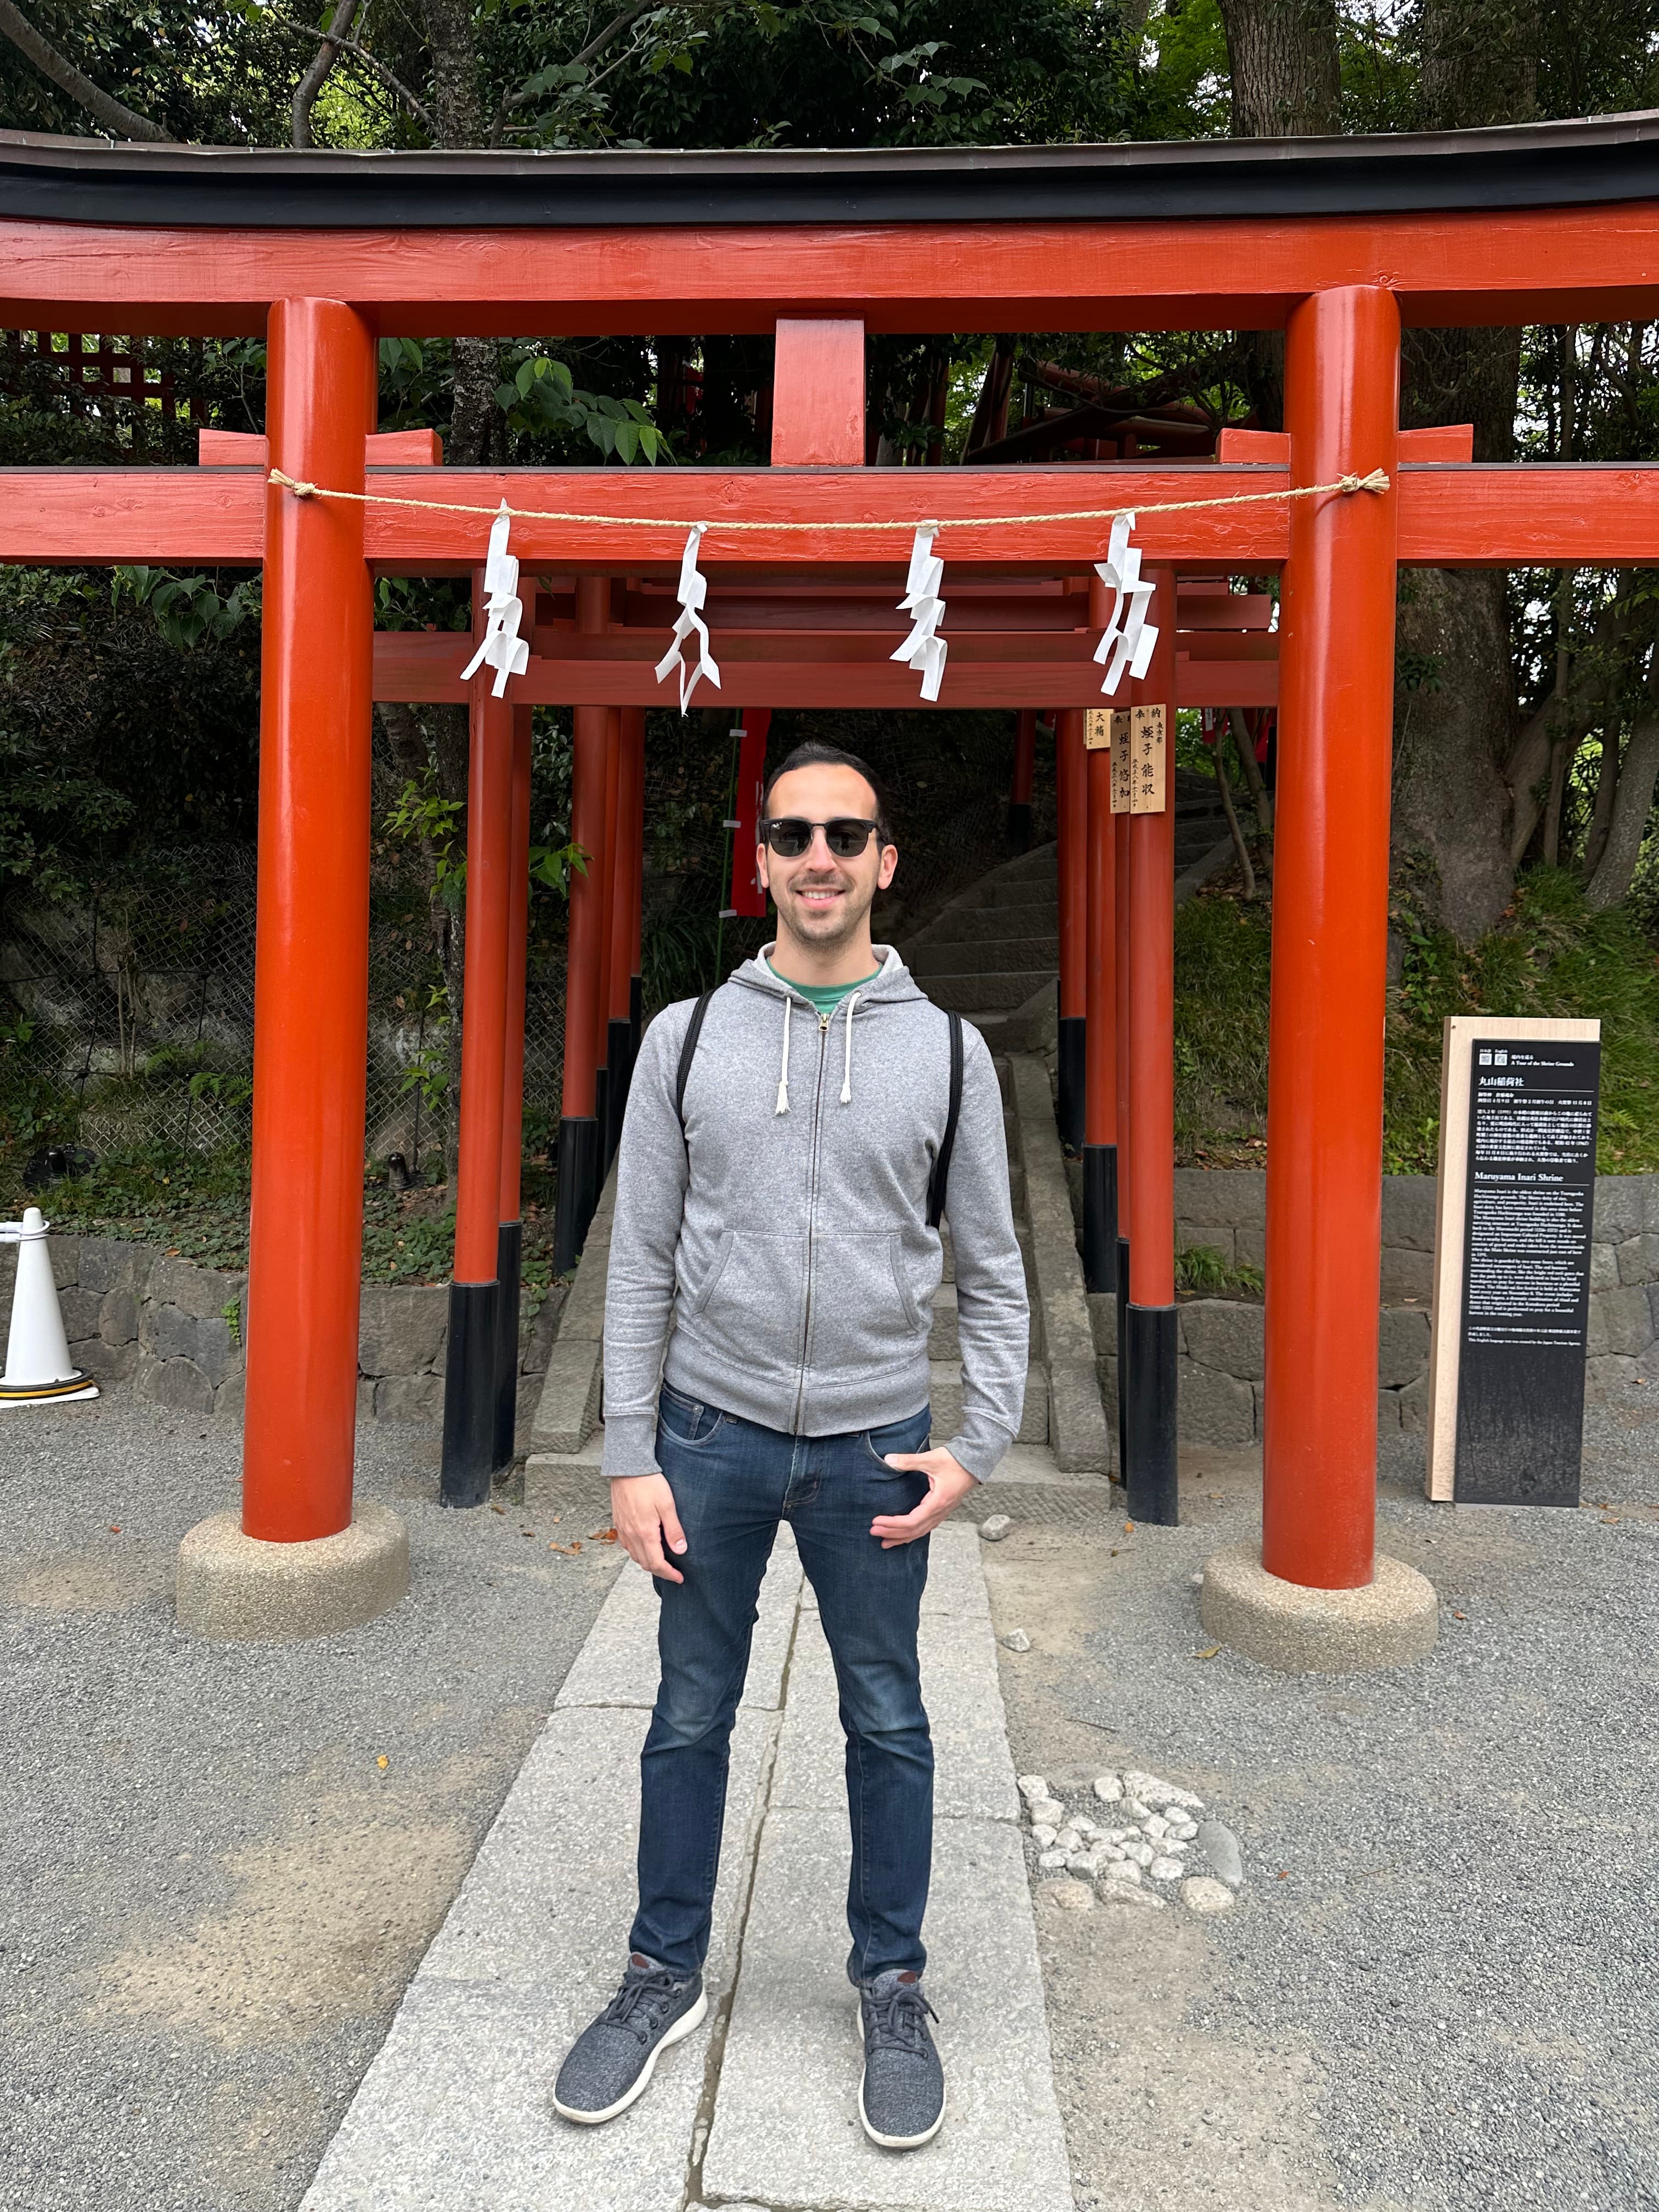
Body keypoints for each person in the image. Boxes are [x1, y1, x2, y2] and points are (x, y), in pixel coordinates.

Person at [554, 742, 1029, 2148]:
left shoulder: (950, 1053)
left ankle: (891, 1979)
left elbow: (993, 1269)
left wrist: (981, 1443)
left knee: (888, 1716)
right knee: (688, 1711)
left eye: (847, 835)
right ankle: (662, 1972)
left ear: (889, 861)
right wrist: (627, 1454)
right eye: (792, 834)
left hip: (878, 1445)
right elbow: (636, 1257)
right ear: (760, 861)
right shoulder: (688, 1038)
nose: (818, 857)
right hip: (709, 1436)